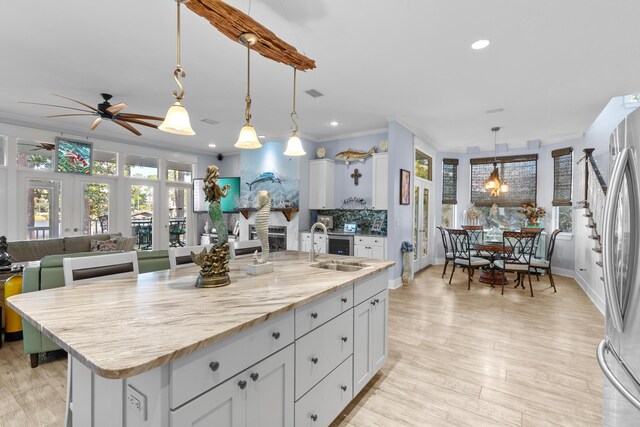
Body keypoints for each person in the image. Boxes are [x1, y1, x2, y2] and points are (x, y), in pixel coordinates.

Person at [204, 165, 231, 245]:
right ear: (214, 173)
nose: (218, 173)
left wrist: (222, 189)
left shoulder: (213, 185)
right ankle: (222, 250)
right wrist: (226, 188)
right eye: (217, 171)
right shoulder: (216, 185)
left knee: (220, 229)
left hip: (212, 206)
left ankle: (221, 249)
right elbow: (224, 195)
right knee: (223, 230)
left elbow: (217, 194)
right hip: (216, 206)